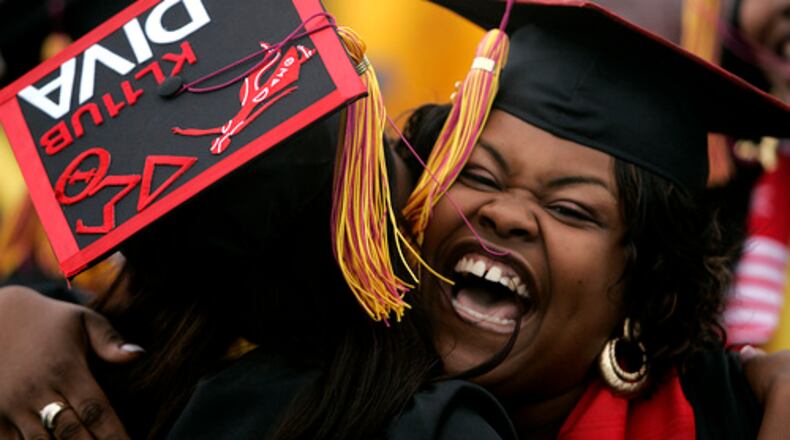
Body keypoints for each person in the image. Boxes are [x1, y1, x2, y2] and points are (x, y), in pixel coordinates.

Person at [2, 0, 790, 438]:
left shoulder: (728, 421)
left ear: (645, 293)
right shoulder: (296, 374)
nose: (506, 215)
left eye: (570, 208)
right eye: (475, 174)